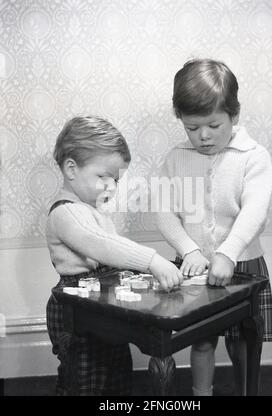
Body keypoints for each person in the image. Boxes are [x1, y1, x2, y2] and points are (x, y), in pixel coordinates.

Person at [156, 58, 272, 396]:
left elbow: (254, 210)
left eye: (213, 125)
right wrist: (188, 249)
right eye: (192, 128)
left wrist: (227, 252)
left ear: (234, 116)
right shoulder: (175, 158)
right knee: (202, 340)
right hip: (193, 267)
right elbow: (164, 213)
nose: (203, 136)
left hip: (243, 264)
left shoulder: (253, 156)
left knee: (242, 344)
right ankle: (200, 395)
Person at [46, 115, 183, 396]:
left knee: (117, 372)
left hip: (103, 302)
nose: (111, 187)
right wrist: (152, 260)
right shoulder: (65, 213)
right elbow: (103, 245)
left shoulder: (92, 210)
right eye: (103, 177)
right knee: (85, 378)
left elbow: (113, 252)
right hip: (77, 306)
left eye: (116, 180)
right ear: (71, 168)